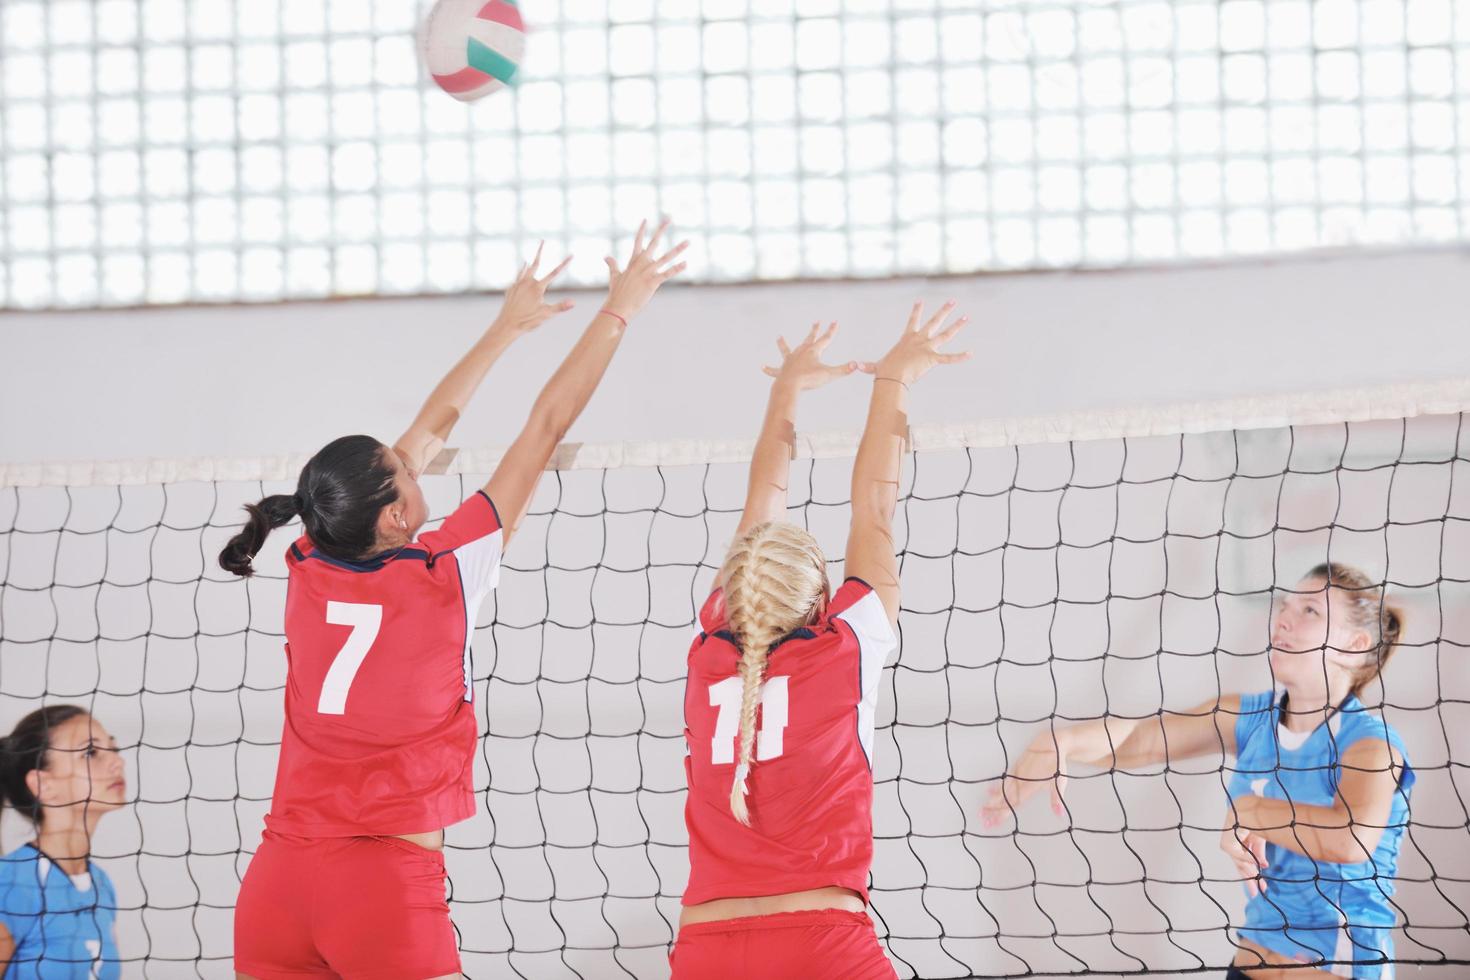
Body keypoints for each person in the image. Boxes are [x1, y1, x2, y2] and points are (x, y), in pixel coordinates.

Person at [219, 223, 686, 980]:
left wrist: (503, 328)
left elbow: (428, 433)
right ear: (397, 516)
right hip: (377, 890)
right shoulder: (444, 572)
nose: (413, 460)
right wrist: (621, 308)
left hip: (275, 886)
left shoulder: (309, 557)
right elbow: (546, 424)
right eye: (402, 469)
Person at [672, 304, 971, 979]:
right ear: (821, 599)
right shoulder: (847, 646)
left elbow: (761, 508)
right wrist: (891, 377)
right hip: (821, 946)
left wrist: (787, 388)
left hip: (705, 951)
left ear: (738, 588)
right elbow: (874, 507)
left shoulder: (707, 650)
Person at [983, 563, 1413, 979]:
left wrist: (1253, 810)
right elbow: (1140, 739)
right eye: (1285, 605)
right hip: (1247, 966)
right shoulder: (1249, 717)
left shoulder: (1371, 745)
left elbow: (1351, 839)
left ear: (1355, 645)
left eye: (1310, 611)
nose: (1284, 619)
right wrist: (1063, 743)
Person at [0, 706, 128, 979]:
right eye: (91, 753)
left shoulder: (101, 884)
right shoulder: (10, 882)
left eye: (113, 749)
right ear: (43, 785)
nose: (118, 762)